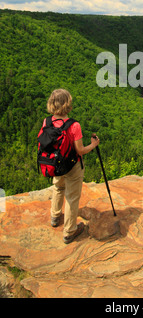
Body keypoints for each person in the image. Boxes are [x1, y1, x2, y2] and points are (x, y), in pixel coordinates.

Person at [45, 88, 99, 244]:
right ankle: (69, 231)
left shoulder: (47, 121)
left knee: (58, 187)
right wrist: (93, 145)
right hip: (72, 165)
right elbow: (80, 151)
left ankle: (55, 217)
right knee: (72, 197)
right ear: (68, 104)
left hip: (55, 163)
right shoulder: (74, 125)